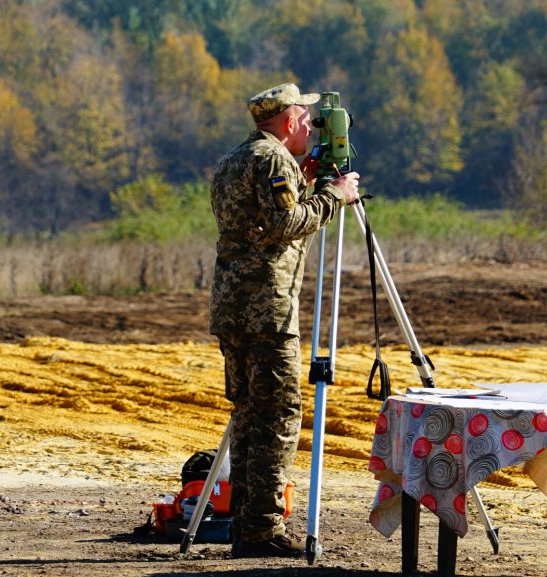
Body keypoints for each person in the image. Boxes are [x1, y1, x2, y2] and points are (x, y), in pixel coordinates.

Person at [209, 83, 360, 558]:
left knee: (249, 415)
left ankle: (244, 523)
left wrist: (304, 179)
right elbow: (282, 224)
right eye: (305, 118)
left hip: (233, 306)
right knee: (276, 416)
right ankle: (261, 530)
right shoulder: (272, 160)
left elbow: (259, 216)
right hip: (267, 307)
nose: (309, 127)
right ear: (289, 119)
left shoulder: (234, 160)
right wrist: (334, 196)